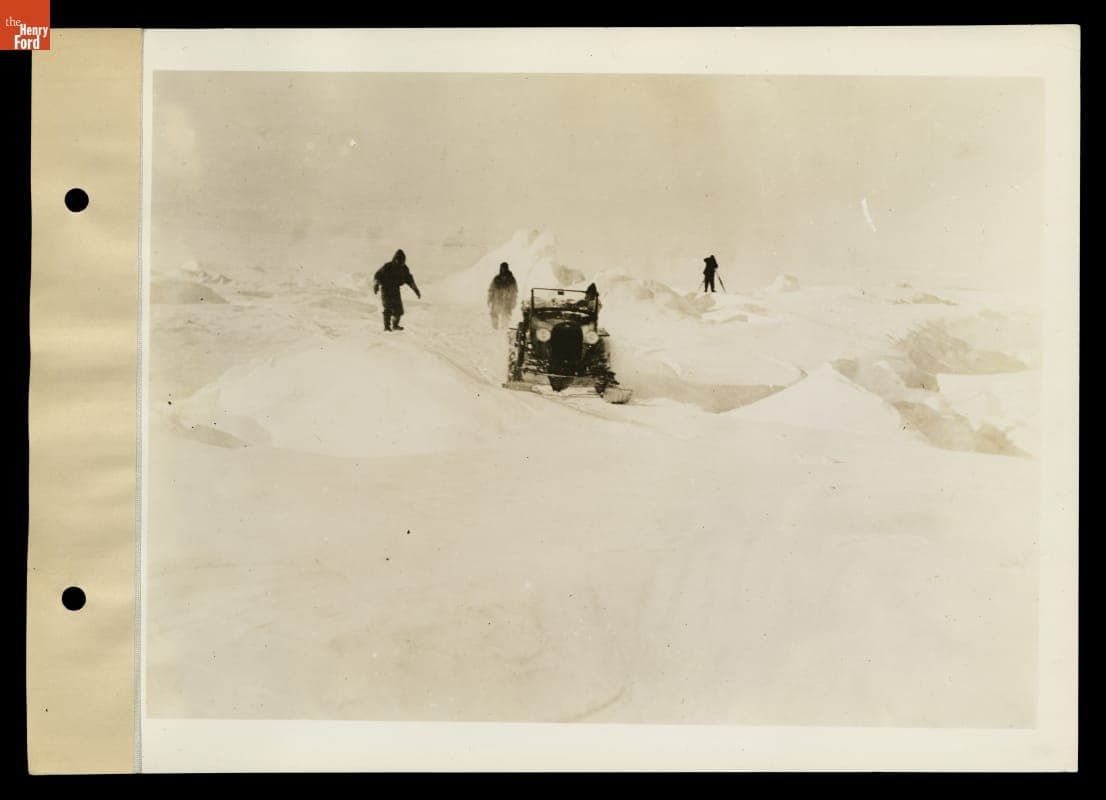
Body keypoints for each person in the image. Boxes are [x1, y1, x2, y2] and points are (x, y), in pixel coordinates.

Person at [373, 249, 421, 331]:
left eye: (402, 261)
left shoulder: (404, 269)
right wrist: (376, 285)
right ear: (395, 259)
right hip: (386, 289)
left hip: (395, 290)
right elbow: (377, 276)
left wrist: (416, 290)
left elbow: (410, 280)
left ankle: (395, 325)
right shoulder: (387, 266)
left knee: (399, 311)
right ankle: (387, 327)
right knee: (388, 308)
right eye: (399, 260)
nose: (400, 263)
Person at [486, 261, 518, 330]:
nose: (503, 269)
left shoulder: (511, 279)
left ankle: (504, 328)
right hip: (497, 300)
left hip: (507, 301)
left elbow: (514, 291)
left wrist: (513, 301)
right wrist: (489, 299)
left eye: (504, 268)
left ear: (507, 268)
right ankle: (495, 328)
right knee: (494, 314)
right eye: (502, 268)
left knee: (506, 316)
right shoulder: (496, 279)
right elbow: (491, 289)